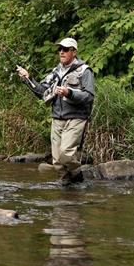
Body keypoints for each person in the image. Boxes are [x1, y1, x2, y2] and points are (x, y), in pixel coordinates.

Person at [16, 37, 94, 183]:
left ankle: (78, 177)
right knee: (57, 161)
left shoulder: (85, 71)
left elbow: (89, 96)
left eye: (65, 49)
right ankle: (66, 191)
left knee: (66, 154)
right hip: (57, 118)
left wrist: (69, 93)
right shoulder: (55, 72)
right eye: (60, 49)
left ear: (74, 52)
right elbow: (42, 92)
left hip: (76, 118)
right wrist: (28, 79)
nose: (61, 52)